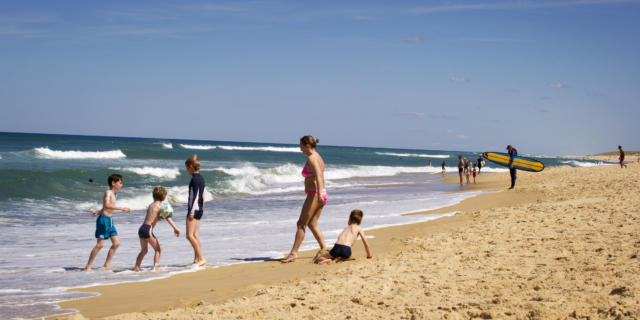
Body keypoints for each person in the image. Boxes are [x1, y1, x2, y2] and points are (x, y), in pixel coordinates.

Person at [282, 135, 328, 263]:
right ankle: (324, 249)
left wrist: (318, 195)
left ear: (307, 146)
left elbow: (318, 176)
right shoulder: (318, 156)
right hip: (322, 192)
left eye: (301, 146)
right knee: (312, 224)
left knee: (301, 224)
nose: (300, 148)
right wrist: (321, 193)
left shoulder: (312, 158)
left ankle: (293, 253)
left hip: (315, 193)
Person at [84, 174, 131, 271]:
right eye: (120, 183)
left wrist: (98, 212)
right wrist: (122, 208)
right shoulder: (108, 192)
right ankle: (88, 265)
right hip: (103, 220)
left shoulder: (115, 194)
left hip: (110, 221)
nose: (121, 185)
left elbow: (105, 207)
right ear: (113, 183)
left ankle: (106, 264)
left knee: (116, 243)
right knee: (100, 245)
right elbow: (107, 205)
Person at [134, 187, 180, 272]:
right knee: (158, 249)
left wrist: (159, 218)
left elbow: (153, 217)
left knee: (144, 250)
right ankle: (156, 267)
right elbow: (167, 218)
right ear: (164, 197)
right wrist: (175, 228)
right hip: (148, 229)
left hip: (142, 228)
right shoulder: (160, 207)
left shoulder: (151, 205)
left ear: (153, 196)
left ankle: (136, 267)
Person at [185, 155, 207, 266]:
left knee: (189, 235)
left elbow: (194, 196)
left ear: (191, 167)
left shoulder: (194, 179)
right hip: (200, 209)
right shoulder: (202, 178)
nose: (187, 171)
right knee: (195, 235)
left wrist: (191, 212)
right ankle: (196, 259)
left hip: (194, 209)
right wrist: (201, 208)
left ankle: (201, 257)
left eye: (187, 168)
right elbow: (203, 195)